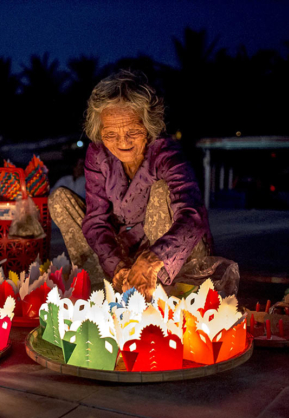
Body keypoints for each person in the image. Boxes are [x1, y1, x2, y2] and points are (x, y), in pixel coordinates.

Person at [49, 70, 214, 300]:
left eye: (132, 131)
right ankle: (109, 282)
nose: (122, 142)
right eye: (111, 134)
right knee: (59, 200)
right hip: (122, 250)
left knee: (160, 191)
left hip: (168, 254)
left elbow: (192, 214)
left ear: (148, 126)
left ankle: (159, 288)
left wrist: (154, 257)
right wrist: (117, 265)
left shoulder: (165, 152)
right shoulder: (97, 153)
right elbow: (96, 219)